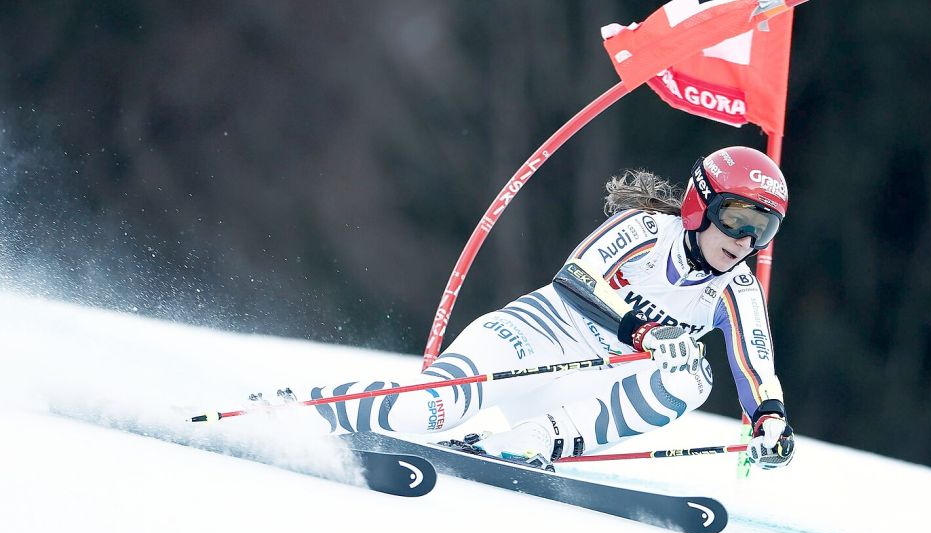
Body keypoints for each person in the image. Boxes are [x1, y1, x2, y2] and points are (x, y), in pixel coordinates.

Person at [313, 145, 795, 470]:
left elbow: (755, 364)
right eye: (736, 219)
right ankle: (304, 412)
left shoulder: (738, 289)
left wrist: (769, 420)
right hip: (534, 339)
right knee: (429, 410)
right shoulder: (646, 229)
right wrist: (646, 332)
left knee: (693, 377)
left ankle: (534, 440)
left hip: (583, 390)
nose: (744, 241)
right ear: (701, 206)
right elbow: (576, 279)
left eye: (763, 230)